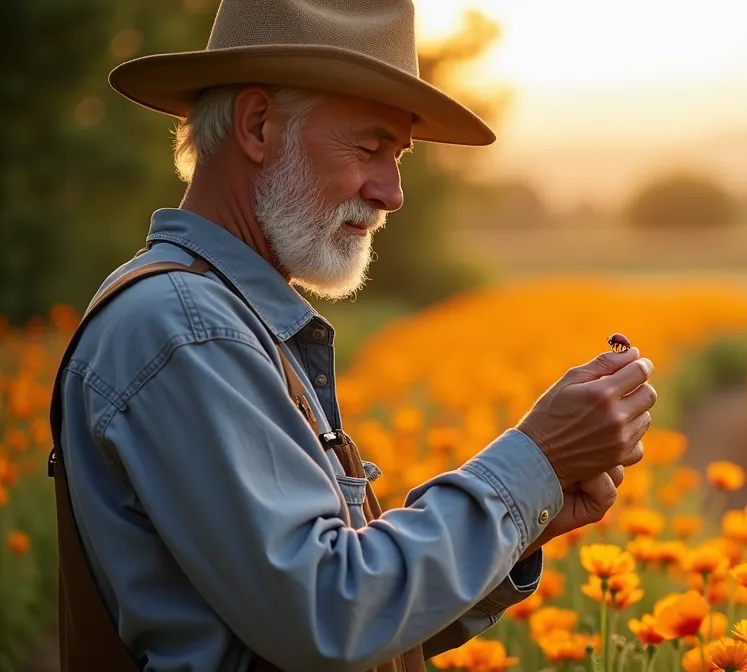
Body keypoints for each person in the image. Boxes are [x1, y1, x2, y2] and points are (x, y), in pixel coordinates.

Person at [46, 1, 657, 670]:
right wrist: (534, 461)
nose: (392, 192)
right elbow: (329, 614)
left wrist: (534, 509)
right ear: (257, 126)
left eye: (397, 156)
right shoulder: (187, 330)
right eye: (369, 147)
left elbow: (352, 621)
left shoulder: (221, 318)